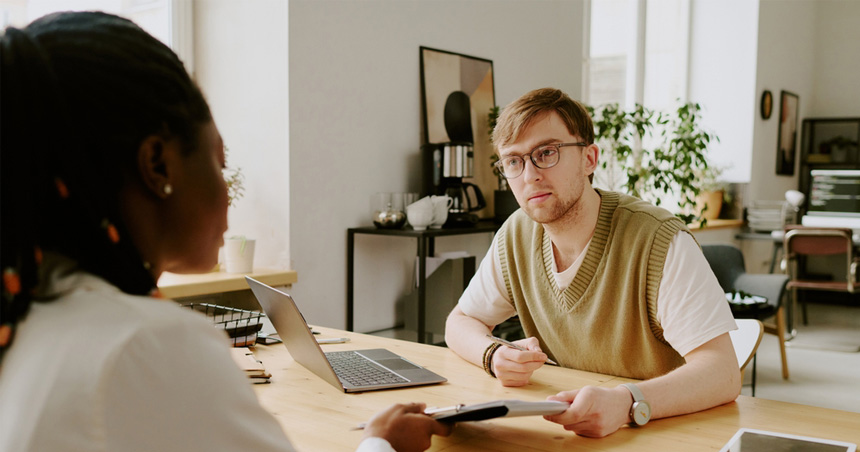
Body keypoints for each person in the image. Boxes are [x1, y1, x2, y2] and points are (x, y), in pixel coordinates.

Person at [0, 12, 450, 452]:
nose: (227, 192)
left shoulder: (23, 317)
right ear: (158, 165)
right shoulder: (149, 345)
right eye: (219, 162)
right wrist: (380, 442)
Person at [445, 88, 741, 438]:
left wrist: (627, 402)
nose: (529, 176)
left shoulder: (659, 241)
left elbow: (722, 372)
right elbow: (460, 321)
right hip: (569, 431)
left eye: (547, 153)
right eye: (513, 161)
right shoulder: (516, 235)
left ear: (589, 158)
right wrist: (494, 354)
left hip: (661, 432)